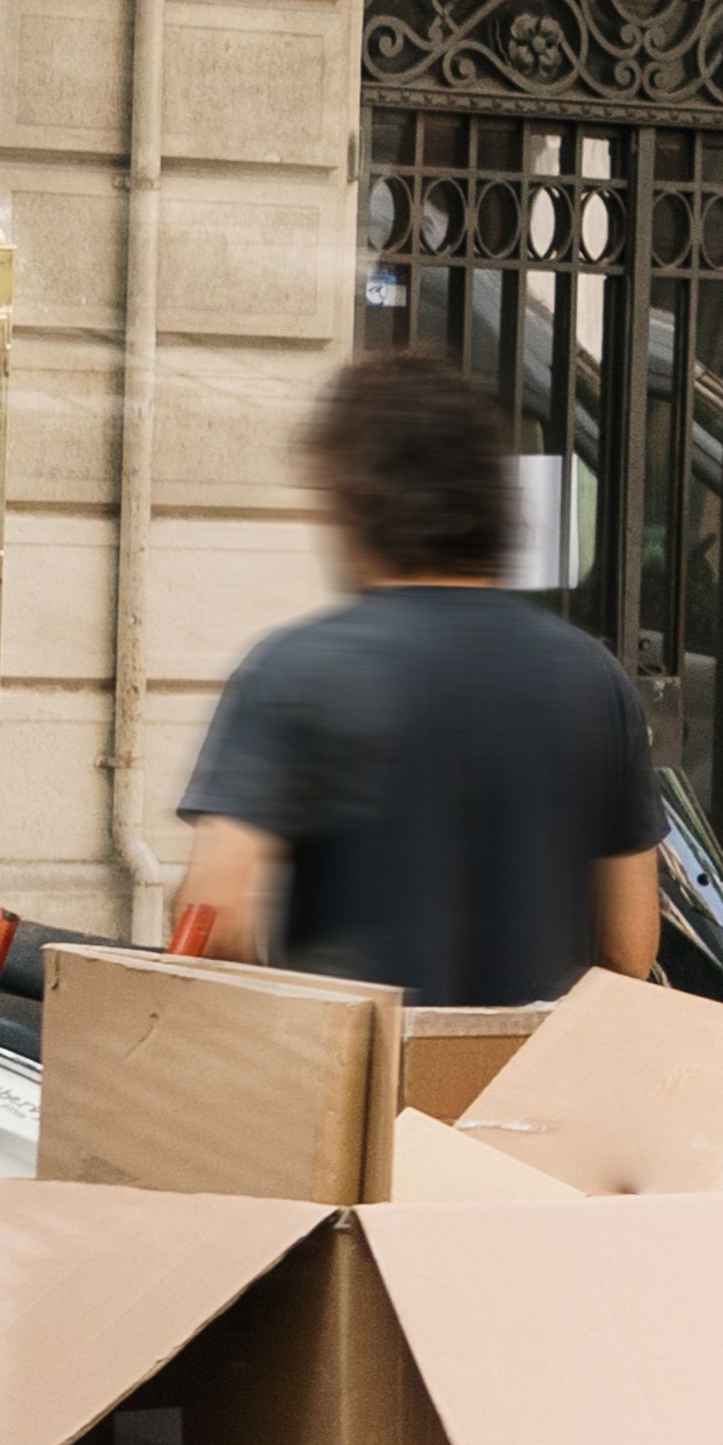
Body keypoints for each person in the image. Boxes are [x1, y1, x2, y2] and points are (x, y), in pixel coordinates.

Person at [176, 350, 660, 1003]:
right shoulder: (596, 681)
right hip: (529, 1065)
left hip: (356, 1062)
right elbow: (629, 950)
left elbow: (215, 922)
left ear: (354, 500)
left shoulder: (295, 670)